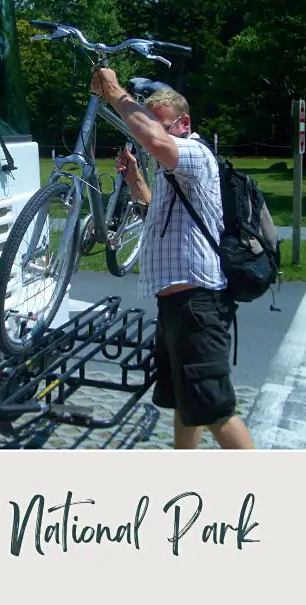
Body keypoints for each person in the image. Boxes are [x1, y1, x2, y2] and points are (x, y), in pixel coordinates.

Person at [90, 67, 254, 450]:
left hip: (198, 305)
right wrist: (135, 182)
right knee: (187, 401)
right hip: (177, 305)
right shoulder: (169, 172)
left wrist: (114, 91)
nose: (151, 136)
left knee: (215, 408)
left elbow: (156, 142)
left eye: (160, 126)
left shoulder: (195, 154)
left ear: (184, 123)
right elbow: (159, 217)